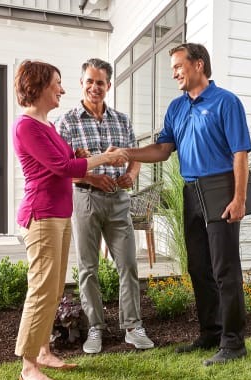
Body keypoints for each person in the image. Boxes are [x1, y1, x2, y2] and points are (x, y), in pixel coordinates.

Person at [119, 43, 251, 366]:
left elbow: (240, 153)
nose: (175, 73)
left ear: (199, 65)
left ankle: (233, 343)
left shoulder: (226, 102)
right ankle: (211, 333)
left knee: (225, 269)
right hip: (191, 192)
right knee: (197, 267)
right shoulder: (177, 108)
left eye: (179, 66)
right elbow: (164, 149)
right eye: (173, 69)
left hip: (221, 187)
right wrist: (127, 153)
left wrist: (239, 198)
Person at [13, 60, 128, 380]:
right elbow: (63, 167)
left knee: (54, 288)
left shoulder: (46, 125)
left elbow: (67, 157)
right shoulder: (26, 127)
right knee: (41, 289)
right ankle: (28, 365)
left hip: (59, 214)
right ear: (38, 87)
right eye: (57, 84)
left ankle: (45, 351)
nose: (62, 90)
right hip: (42, 215)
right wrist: (103, 158)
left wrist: (80, 153)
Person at [56, 58, 154, 354]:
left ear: (108, 86)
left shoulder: (121, 120)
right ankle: (95, 327)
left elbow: (134, 154)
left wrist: (131, 174)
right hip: (84, 197)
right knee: (88, 267)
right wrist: (92, 178)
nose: (94, 87)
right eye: (89, 81)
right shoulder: (68, 121)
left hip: (118, 201)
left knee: (128, 264)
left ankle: (133, 326)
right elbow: (64, 165)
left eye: (100, 82)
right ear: (82, 83)